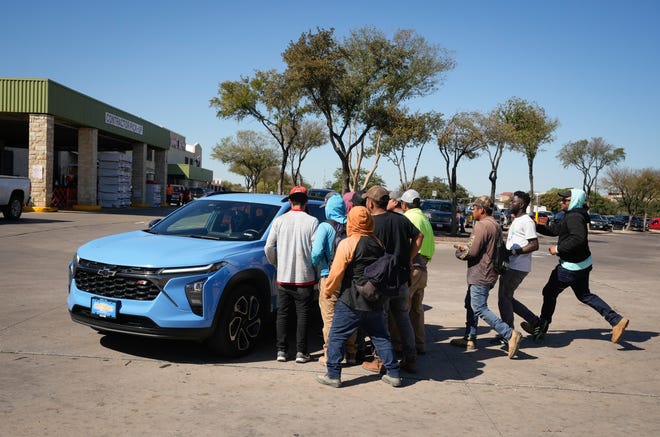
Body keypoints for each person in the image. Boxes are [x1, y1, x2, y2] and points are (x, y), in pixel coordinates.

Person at [523, 189, 630, 343]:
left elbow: (578, 238)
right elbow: (555, 230)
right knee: (584, 295)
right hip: (582, 264)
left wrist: (558, 249)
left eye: (564, 200)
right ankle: (616, 320)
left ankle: (541, 326)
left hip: (570, 267)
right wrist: (535, 225)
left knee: (549, 292)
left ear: (573, 201)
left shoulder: (574, 217)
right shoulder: (573, 215)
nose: (561, 202)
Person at [316, 206, 402, 388]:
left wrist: (327, 291)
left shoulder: (348, 243)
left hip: (350, 301)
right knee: (380, 336)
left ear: (352, 221)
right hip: (375, 300)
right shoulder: (377, 242)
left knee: (337, 336)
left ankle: (333, 375)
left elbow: (336, 272)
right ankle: (393, 373)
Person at [451, 195, 523, 359]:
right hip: (489, 271)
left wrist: (460, 252)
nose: (472, 211)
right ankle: (470, 337)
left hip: (481, 273)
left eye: (474, 208)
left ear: (481, 210)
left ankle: (509, 334)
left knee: (479, 307)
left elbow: (473, 252)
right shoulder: (495, 224)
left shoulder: (482, 225)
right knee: (470, 303)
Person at [362, 185, 423, 373]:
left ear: (371, 204)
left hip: (382, 280)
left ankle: (380, 360)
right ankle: (410, 358)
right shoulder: (400, 219)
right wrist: (410, 258)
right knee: (403, 318)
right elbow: (419, 236)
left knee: (383, 320)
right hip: (401, 277)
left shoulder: (371, 224)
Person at [265, 186, 319, 363]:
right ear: (306, 202)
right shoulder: (312, 222)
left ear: (290, 201)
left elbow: (268, 247)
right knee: (303, 315)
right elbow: (316, 251)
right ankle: (301, 352)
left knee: (283, 315)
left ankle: (281, 351)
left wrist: (277, 263)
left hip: (283, 277)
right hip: (305, 278)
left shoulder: (279, 221)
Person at [311, 192, 358, 365]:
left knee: (329, 317)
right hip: (350, 279)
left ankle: (331, 354)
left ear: (329, 209)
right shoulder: (352, 226)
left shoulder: (325, 227)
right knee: (350, 315)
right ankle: (351, 353)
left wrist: (317, 263)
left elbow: (315, 253)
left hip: (329, 277)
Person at [495, 191, 539, 341]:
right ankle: (535, 322)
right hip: (512, 265)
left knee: (504, 298)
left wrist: (514, 251)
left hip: (518, 267)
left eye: (513, 202)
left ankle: (508, 334)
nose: (510, 204)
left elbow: (534, 245)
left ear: (521, 205)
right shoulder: (517, 220)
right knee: (507, 298)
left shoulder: (527, 221)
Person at [397, 189, 435, 355]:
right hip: (423, 269)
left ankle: (399, 346)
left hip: (413, 268)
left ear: (404, 204)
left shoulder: (409, 218)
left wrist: (409, 259)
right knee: (417, 310)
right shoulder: (424, 219)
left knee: (401, 309)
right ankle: (419, 344)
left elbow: (411, 241)